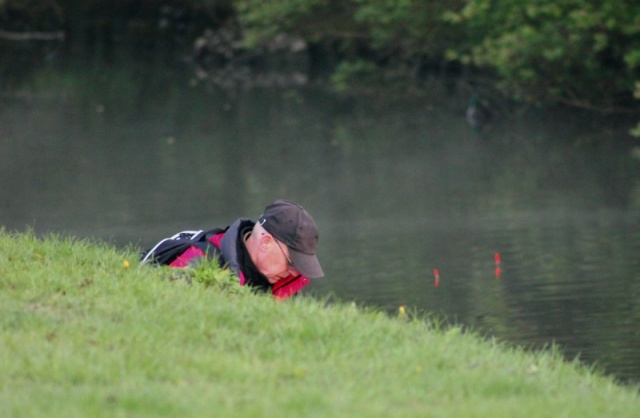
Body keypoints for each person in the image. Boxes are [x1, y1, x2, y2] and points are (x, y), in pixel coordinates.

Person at [141, 199, 324, 300]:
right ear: (266, 243)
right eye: (292, 262)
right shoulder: (198, 263)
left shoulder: (286, 284)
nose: (293, 273)